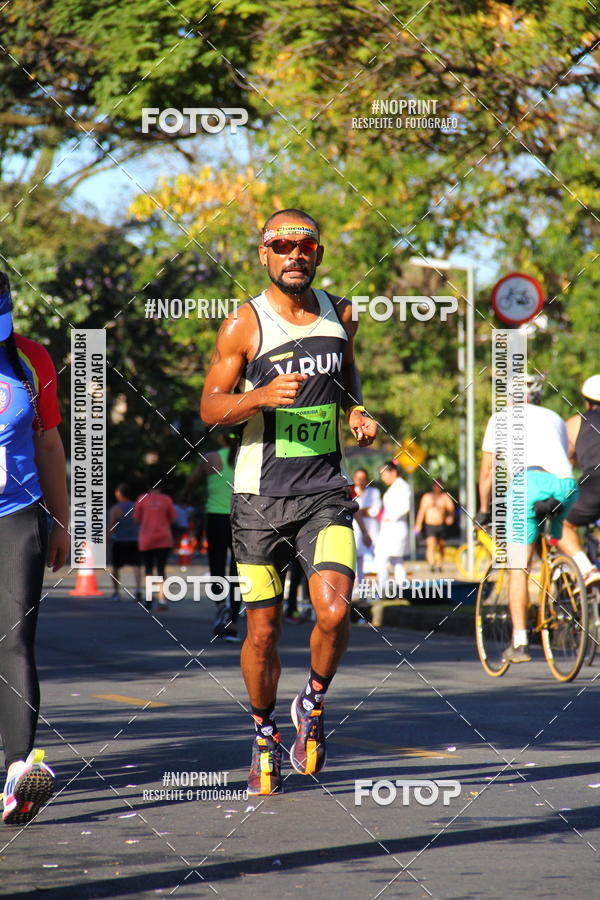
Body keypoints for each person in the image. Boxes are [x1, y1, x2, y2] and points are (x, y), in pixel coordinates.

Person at [200, 208, 377, 795]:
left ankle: (312, 703)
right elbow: (208, 408)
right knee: (263, 631)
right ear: (264, 255)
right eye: (282, 246)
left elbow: (348, 379)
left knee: (332, 611)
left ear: (318, 254)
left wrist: (355, 410)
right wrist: (261, 398)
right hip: (256, 500)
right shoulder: (243, 325)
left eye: (305, 245)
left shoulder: (340, 315)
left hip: (324, 492)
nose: (294, 255)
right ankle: (263, 733)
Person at [0, 272, 69, 825]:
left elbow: (48, 442)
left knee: (15, 638)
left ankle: (19, 772)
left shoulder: (30, 361)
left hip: (16, 516)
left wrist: (64, 522)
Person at [478, 372, 598, 664]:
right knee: (559, 532)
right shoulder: (556, 417)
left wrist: (484, 511)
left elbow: (487, 473)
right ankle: (578, 568)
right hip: (563, 485)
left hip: (526, 486)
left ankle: (520, 642)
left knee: (520, 567)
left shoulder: (500, 418)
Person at [185, 430, 240, 641]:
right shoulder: (246, 457)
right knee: (238, 569)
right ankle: (233, 619)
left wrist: (186, 495)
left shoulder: (211, 459)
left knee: (216, 565)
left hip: (216, 519)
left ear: (222, 438)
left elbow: (192, 481)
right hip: (241, 519)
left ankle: (220, 608)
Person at [558, 375, 600, 581]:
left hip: (594, 487)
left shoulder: (576, 423)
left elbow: (562, 462)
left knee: (559, 521)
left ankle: (586, 569)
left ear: (586, 401)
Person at [133, 474, 176, 611]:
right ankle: (162, 600)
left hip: (146, 539)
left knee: (148, 569)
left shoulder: (141, 499)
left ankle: (149, 598)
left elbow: (136, 519)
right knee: (161, 569)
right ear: (162, 486)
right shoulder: (167, 499)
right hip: (163, 538)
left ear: (148, 486)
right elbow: (173, 518)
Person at [373, 462, 410, 596]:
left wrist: (392, 517)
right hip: (389, 528)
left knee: (381, 558)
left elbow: (405, 506)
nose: (383, 478)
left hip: (395, 527)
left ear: (393, 472)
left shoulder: (402, 486)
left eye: (384, 474)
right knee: (395, 560)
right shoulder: (394, 487)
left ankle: (383, 589)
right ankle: (401, 587)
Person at [108, 483, 142, 602]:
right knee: (137, 566)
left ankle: (116, 592)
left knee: (116, 567)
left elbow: (111, 525)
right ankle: (138, 590)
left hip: (119, 541)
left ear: (118, 493)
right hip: (135, 540)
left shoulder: (116, 508)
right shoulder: (136, 507)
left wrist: (107, 539)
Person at [415, 480, 455, 573]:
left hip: (441, 525)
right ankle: (432, 563)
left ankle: (440, 564)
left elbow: (451, 509)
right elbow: (421, 511)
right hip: (430, 525)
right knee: (431, 544)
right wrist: (418, 524)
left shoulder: (445, 498)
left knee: (441, 545)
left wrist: (450, 517)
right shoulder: (427, 497)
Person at [352, 467, 381, 589]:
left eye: (363, 479)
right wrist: (365, 510)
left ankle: (380, 587)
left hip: (372, 529)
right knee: (357, 559)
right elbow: (353, 511)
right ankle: (360, 587)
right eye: (358, 479)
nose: (361, 481)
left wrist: (359, 511)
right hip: (357, 529)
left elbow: (375, 511)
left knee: (377, 556)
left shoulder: (374, 492)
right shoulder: (351, 492)